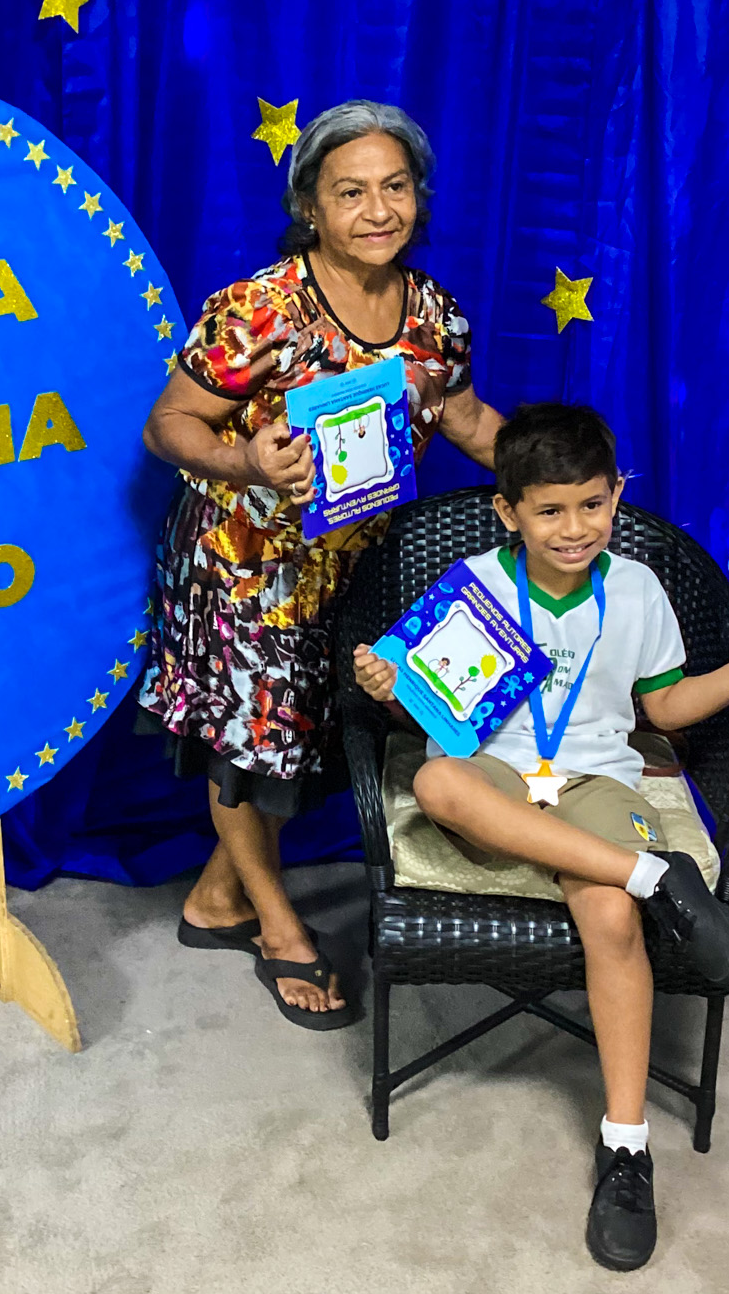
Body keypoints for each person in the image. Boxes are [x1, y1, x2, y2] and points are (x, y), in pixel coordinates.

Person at [352, 402, 729, 1270]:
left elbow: (665, 708)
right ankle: (653, 876)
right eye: (549, 510)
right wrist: (386, 688)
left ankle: (626, 1145)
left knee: (610, 916)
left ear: (616, 496)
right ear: (507, 511)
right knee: (436, 781)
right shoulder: (473, 582)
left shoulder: (639, 589)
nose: (575, 527)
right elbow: (429, 703)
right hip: (493, 774)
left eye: (592, 504)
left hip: (595, 779)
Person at [139, 101, 504, 1029]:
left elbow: (465, 419)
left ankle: (214, 898)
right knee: (249, 748)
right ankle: (278, 930)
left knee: (301, 749)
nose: (378, 210)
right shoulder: (257, 309)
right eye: (351, 192)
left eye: (396, 187)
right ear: (310, 206)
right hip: (244, 570)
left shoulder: (434, 316)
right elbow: (168, 424)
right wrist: (243, 458)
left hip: (352, 571)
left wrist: (565, 476)